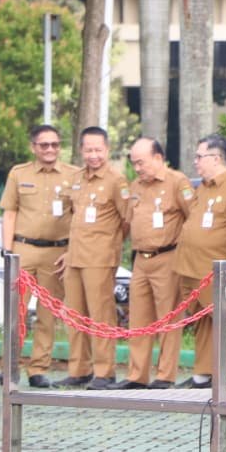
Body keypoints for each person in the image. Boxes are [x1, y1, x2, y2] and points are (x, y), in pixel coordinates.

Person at [0, 124, 78, 388]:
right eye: (44, 145)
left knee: (47, 315)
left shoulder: (74, 175)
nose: (50, 149)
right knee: (15, 310)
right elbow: (9, 212)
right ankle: (10, 367)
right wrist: (8, 251)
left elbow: (79, 217)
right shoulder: (19, 174)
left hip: (56, 253)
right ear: (34, 147)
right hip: (24, 251)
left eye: (55, 144)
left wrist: (72, 250)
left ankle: (38, 369)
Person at [175, 134, 226, 389]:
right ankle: (204, 372)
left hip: (220, 270)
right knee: (201, 319)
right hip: (191, 266)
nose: (195, 162)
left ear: (216, 158)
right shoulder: (201, 188)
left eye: (200, 156)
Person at [118, 137, 193, 390]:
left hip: (167, 257)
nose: (138, 168)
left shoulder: (177, 182)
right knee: (138, 319)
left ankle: (165, 375)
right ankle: (137, 376)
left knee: (167, 319)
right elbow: (129, 220)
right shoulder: (136, 186)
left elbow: (191, 218)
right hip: (141, 259)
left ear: (158, 158)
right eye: (134, 163)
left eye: (142, 162)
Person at [57, 127, 128, 390]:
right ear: (81, 150)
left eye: (98, 150)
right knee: (74, 314)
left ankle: (104, 371)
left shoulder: (116, 181)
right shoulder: (77, 179)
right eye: (88, 150)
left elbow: (126, 220)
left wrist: (109, 246)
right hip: (75, 256)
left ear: (107, 150)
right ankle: (79, 369)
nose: (93, 155)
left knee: (101, 315)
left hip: (100, 257)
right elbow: (73, 216)